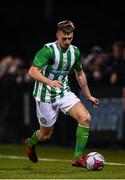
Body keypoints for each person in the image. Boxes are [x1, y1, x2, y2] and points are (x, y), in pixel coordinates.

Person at [24, 20, 99, 168]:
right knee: (46, 135)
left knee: (85, 118)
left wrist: (89, 96)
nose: (66, 41)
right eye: (64, 38)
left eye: (69, 38)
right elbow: (32, 71)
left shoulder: (75, 52)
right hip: (45, 95)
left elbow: (80, 74)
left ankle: (77, 158)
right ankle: (30, 142)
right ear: (57, 34)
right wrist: (48, 81)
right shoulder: (48, 50)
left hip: (64, 92)